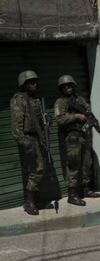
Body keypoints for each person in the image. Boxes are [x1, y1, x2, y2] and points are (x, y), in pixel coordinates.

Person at [54, 75, 100, 206]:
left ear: (74, 86)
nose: (68, 88)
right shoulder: (60, 102)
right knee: (73, 164)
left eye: (70, 85)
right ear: (61, 89)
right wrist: (76, 116)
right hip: (72, 137)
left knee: (87, 162)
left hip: (84, 135)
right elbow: (60, 120)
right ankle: (72, 195)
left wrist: (92, 121)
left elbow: (88, 112)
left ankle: (86, 189)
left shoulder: (80, 99)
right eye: (65, 86)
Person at [10, 70, 49, 215]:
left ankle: (33, 200)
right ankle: (29, 202)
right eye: (31, 82)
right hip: (28, 139)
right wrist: (27, 144)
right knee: (36, 170)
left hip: (38, 137)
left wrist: (46, 121)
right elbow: (16, 129)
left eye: (35, 82)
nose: (35, 84)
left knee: (37, 170)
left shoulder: (36, 100)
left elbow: (39, 121)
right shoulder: (18, 100)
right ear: (24, 84)